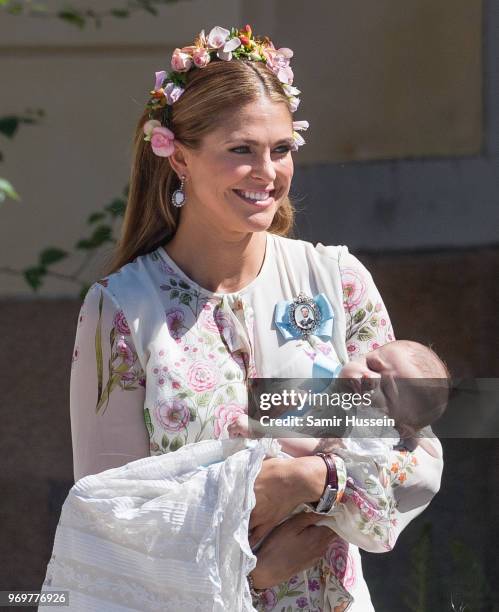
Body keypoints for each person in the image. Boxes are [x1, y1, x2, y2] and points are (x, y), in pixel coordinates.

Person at [61, 24, 444, 611]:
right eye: (241, 150)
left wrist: (316, 479)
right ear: (179, 157)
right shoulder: (123, 310)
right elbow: (110, 520)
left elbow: (416, 454)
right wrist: (252, 578)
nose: (268, 173)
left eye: (282, 149)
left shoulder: (337, 283)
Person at [228, 338, 450, 461]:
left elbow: (314, 448)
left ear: (397, 428)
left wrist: (260, 430)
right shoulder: (328, 378)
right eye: (372, 365)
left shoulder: (366, 434)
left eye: (386, 389)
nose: (368, 378)